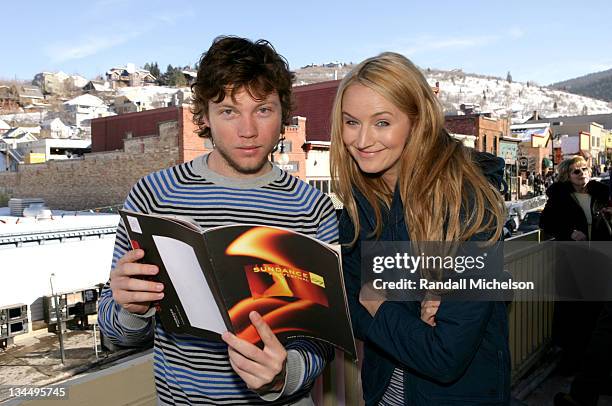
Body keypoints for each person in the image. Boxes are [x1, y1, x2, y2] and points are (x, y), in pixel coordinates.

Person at [97, 36, 338, 405]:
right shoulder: (153, 196)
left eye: (263, 110)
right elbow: (116, 334)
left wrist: (282, 375)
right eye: (228, 111)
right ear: (205, 117)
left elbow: (321, 338)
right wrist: (130, 308)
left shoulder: (312, 207)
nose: (247, 130)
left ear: (283, 114)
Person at [330, 52, 510, 405]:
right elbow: (346, 309)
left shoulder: (468, 205)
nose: (362, 140)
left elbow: (444, 357)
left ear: (418, 120)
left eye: (382, 122)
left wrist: (379, 304)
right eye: (351, 122)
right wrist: (411, 313)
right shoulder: (361, 205)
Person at [539, 156, 612, 406]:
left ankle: (591, 375)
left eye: (584, 169)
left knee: (596, 316)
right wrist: (569, 232)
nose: (581, 173)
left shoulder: (600, 195)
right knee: (575, 315)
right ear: (566, 176)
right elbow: (546, 223)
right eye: (574, 171)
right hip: (573, 263)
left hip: (599, 263)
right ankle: (574, 364)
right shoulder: (559, 197)